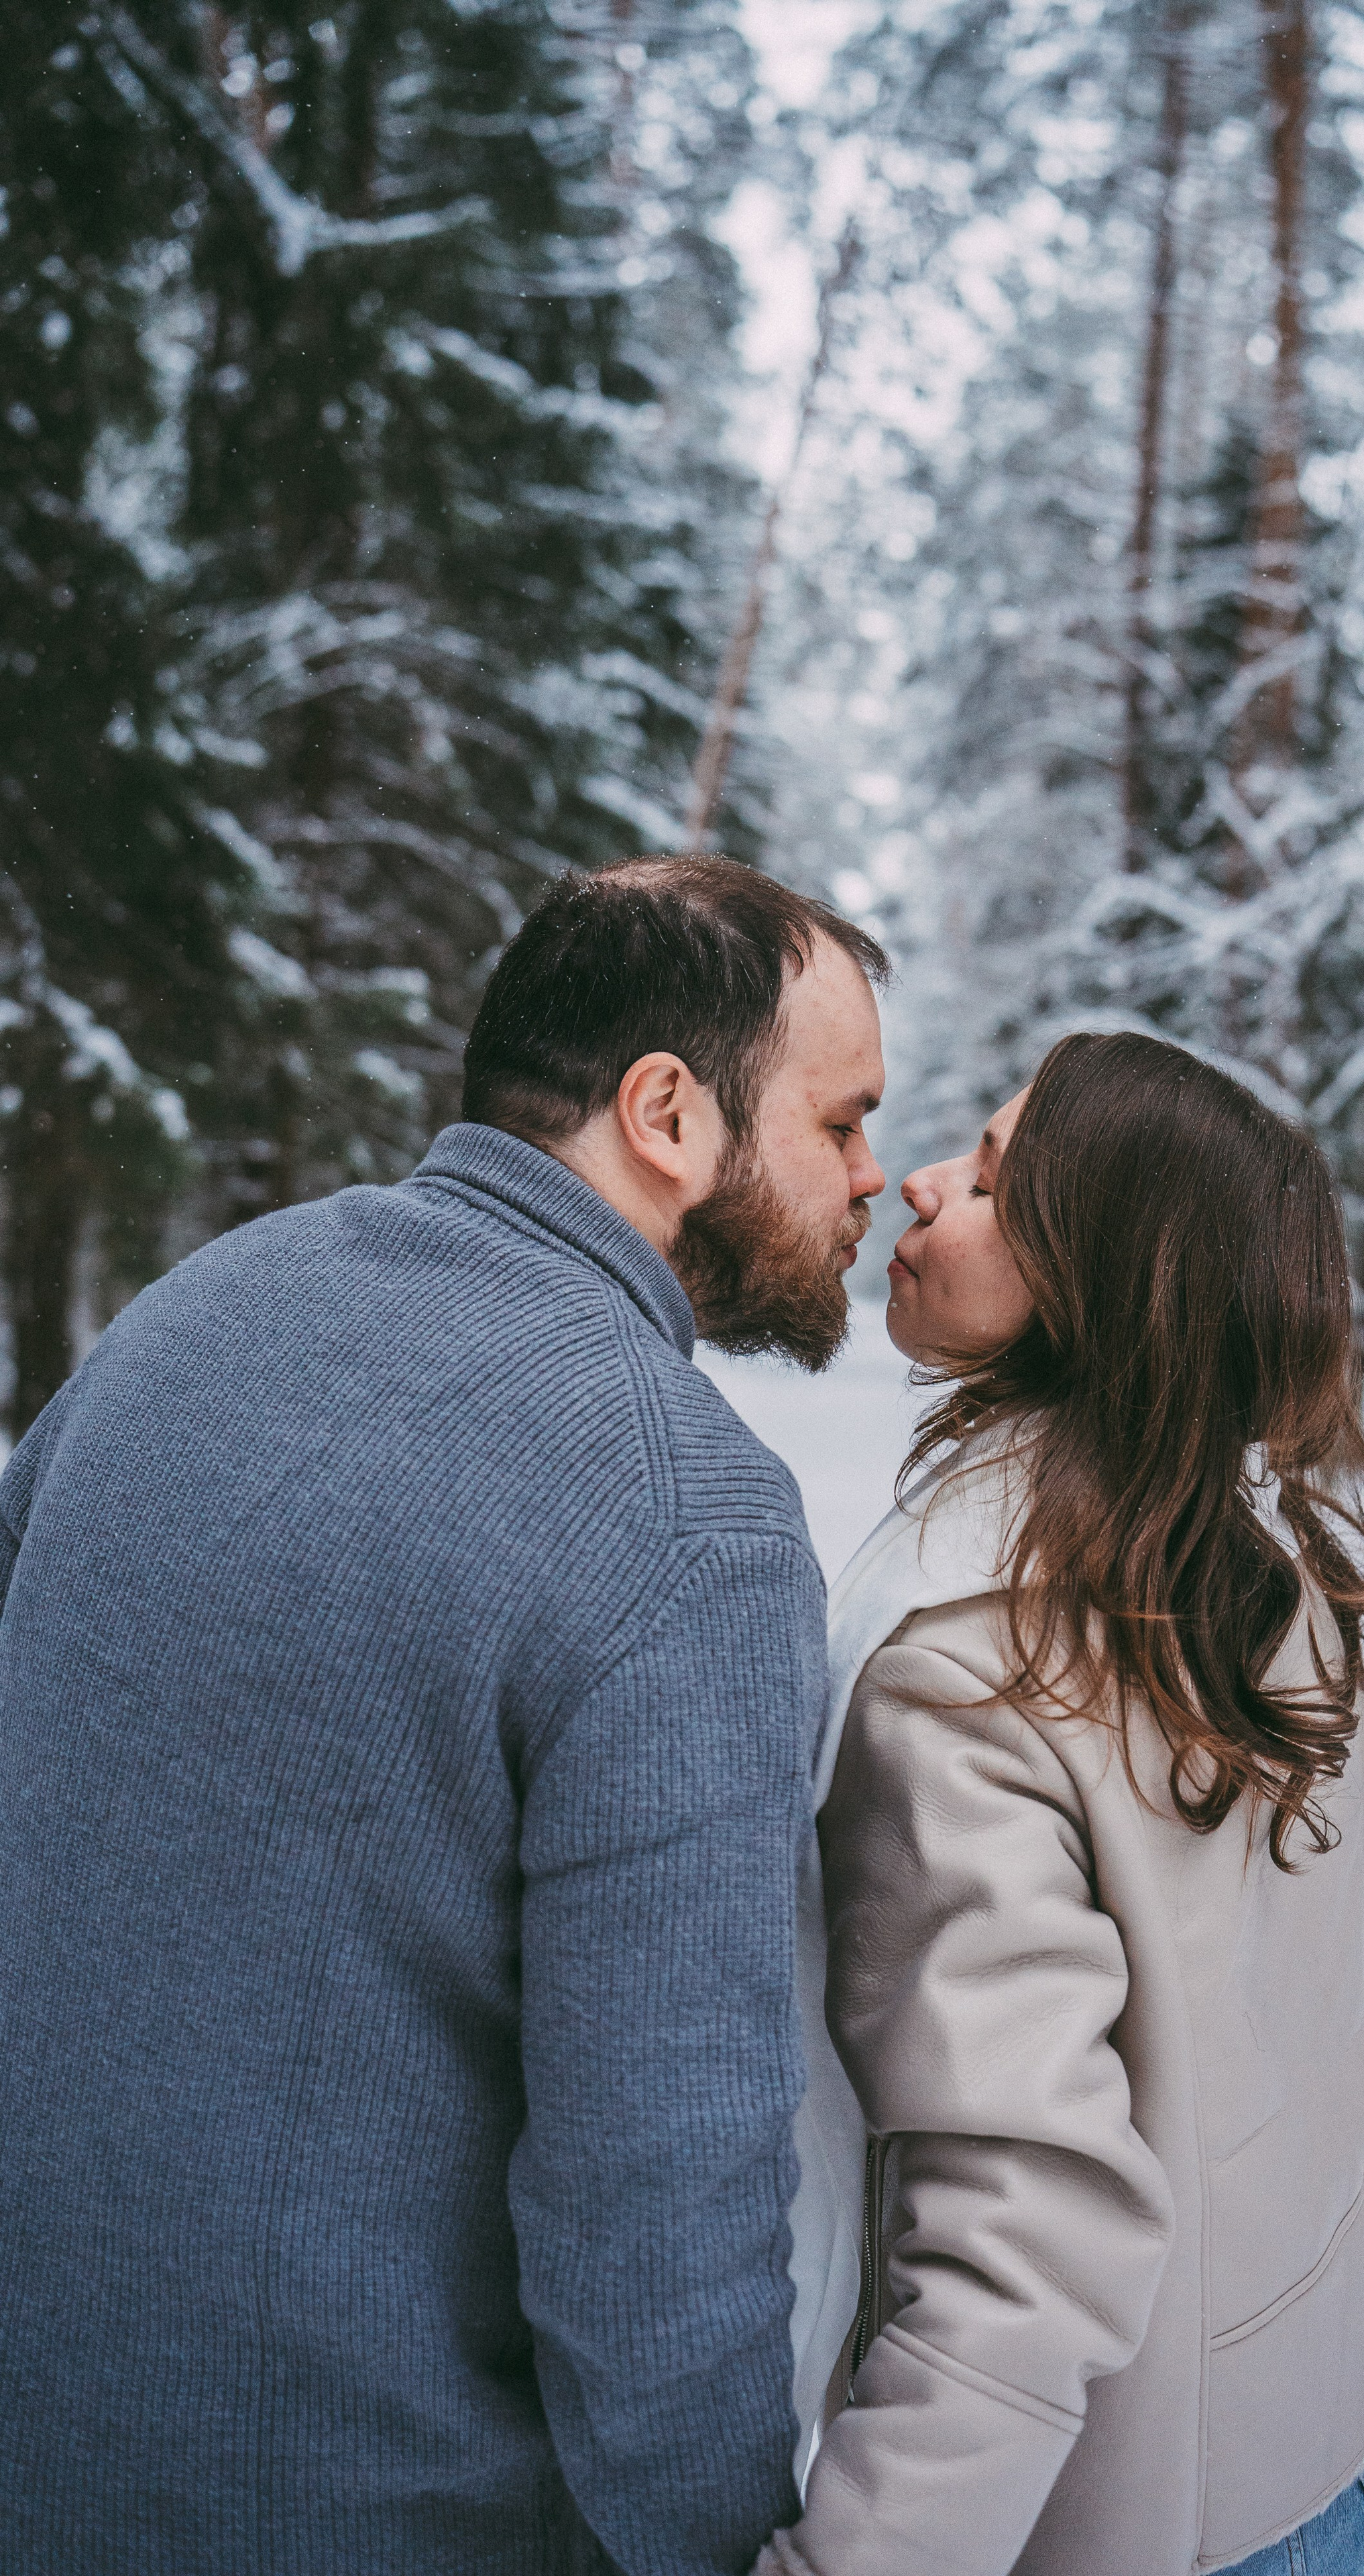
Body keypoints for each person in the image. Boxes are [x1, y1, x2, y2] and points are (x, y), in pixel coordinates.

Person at [0, 855, 887, 2576]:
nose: (871, 1181)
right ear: (667, 1114)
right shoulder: (680, 1511)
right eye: (840, 1122)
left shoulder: (196, 1305)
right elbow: (658, 2214)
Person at [765, 1031, 1364, 2576]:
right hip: (1343, 2439)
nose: (920, 1179)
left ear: (1107, 1278)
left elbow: (1022, 2243)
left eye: (995, 1178)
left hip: (1152, 2517)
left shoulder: (964, 1671)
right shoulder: (1257, 1587)